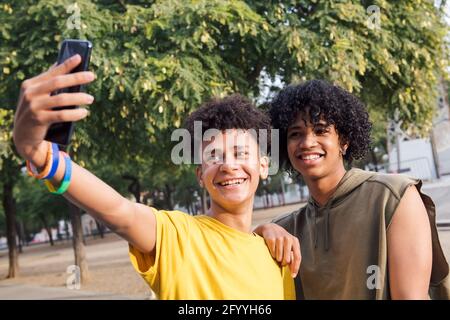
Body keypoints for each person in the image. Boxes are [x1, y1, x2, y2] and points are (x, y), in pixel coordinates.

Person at [13, 55, 297, 300]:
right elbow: (119, 212)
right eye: (213, 156)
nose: (228, 165)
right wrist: (40, 155)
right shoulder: (176, 236)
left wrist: (266, 229)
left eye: (240, 152)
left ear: (263, 165)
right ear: (200, 175)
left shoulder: (278, 254)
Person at [255, 79, 450, 299]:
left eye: (321, 130)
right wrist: (260, 232)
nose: (307, 142)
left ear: (344, 141)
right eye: (295, 134)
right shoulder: (285, 229)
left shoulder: (393, 196)